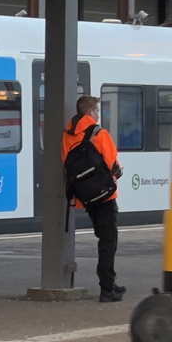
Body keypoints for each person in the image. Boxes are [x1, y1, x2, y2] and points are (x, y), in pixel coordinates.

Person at [62, 95, 126, 303]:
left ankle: (109, 283)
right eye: (97, 111)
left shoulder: (67, 136)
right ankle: (107, 288)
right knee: (108, 240)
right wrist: (118, 172)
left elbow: (66, 165)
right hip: (105, 195)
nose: (98, 115)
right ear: (90, 112)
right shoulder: (99, 133)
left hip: (86, 197)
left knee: (103, 237)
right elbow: (113, 165)